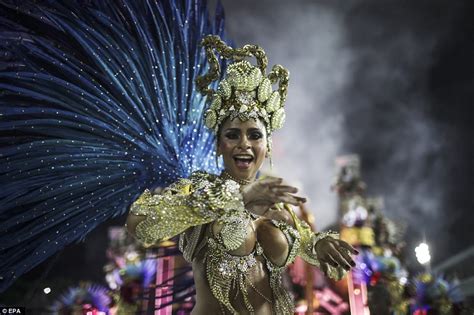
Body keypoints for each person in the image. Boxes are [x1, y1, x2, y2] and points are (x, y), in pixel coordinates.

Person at [126, 35, 358, 314]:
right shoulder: (199, 191)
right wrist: (237, 198)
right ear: (219, 144)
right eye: (233, 134)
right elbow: (138, 223)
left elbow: (308, 242)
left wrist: (321, 247)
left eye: (255, 135)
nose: (244, 144)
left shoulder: (277, 203)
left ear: (267, 144)